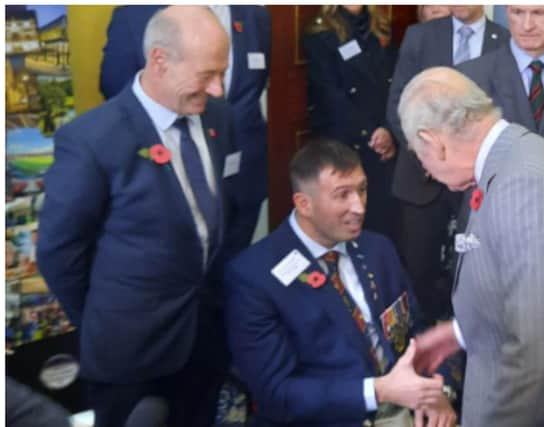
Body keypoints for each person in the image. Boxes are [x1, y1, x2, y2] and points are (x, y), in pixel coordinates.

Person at [37, 7, 239, 427]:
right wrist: (107, 316)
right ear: (160, 61)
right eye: (206, 75)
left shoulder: (217, 117)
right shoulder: (92, 140)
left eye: (222, 72)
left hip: (203, 341)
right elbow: (59, 254)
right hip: (129, 357)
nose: (218, 89)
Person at [397, 66, 544, 427]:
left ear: (434, 142)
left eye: (419, 156)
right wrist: (459, 332)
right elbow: (518, 284)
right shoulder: (512, 157)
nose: (426, 171)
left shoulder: (525, 185)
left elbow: (541, 353)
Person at [225, 139, 457, 427]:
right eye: (342, 195)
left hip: (406, 409)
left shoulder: (378, 249)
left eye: (361, 190)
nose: (358, 207)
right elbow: (277, 394)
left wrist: (439, 391)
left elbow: (416, 330)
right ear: (303, 204)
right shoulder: (254, 276)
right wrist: (379, 391)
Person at [101, 5, 271, 251]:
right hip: (171, 174)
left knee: (236, 265)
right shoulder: (134, 15)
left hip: (244, 171)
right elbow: (118, 92)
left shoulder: (255, 16)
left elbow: (256, 84)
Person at [386, 6, 509, 325]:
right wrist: (431, 156)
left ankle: (468, 341)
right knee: (419, 268)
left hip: (475, 182)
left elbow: (503, 112)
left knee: (473, 268)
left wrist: (464, 163)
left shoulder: (505, 40)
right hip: (420, 175)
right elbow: (397, 103)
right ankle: (423, 344)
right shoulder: (420, 36)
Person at [303, 6, 398, 241]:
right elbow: (330, 96)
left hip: (382, 142)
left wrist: (389, 130)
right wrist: (370, 133)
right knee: (345, 224)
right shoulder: (320, 32)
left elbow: (394, 84)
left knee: (381, 225)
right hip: (345, 143)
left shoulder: (380, 28)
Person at [458, 5, 544, 153]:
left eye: (538, 13)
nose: (527, 26)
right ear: (507, 11)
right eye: (517, 12)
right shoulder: (470, 77)